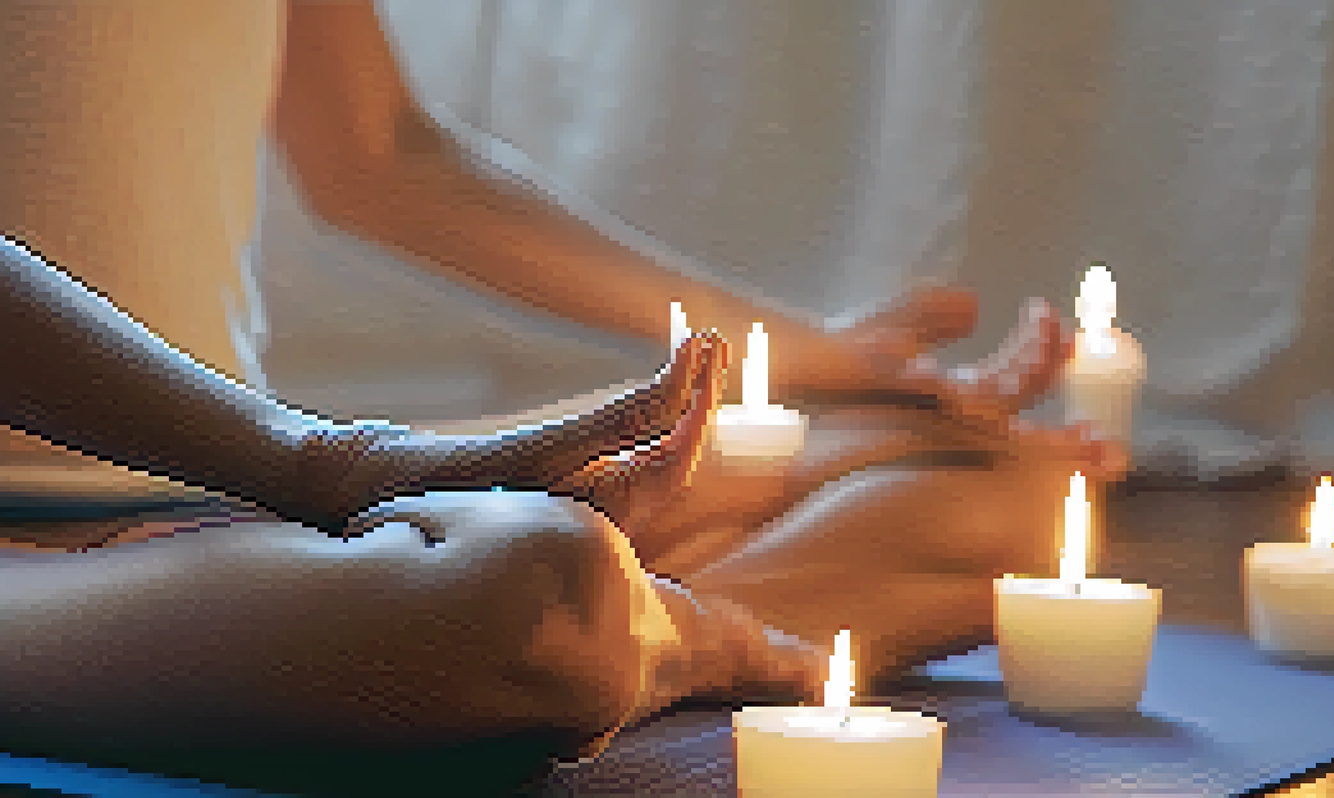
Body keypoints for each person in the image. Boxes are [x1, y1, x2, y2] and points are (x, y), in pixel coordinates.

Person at [0, 2, 1122, 795]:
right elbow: (315, 459)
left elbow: (386, 154)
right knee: (521, 590)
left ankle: (592, 652)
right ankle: (599, 640)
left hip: (237, 483)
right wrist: (319, 466)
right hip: (89, 536)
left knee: (1005, 490)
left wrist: (814, 356)